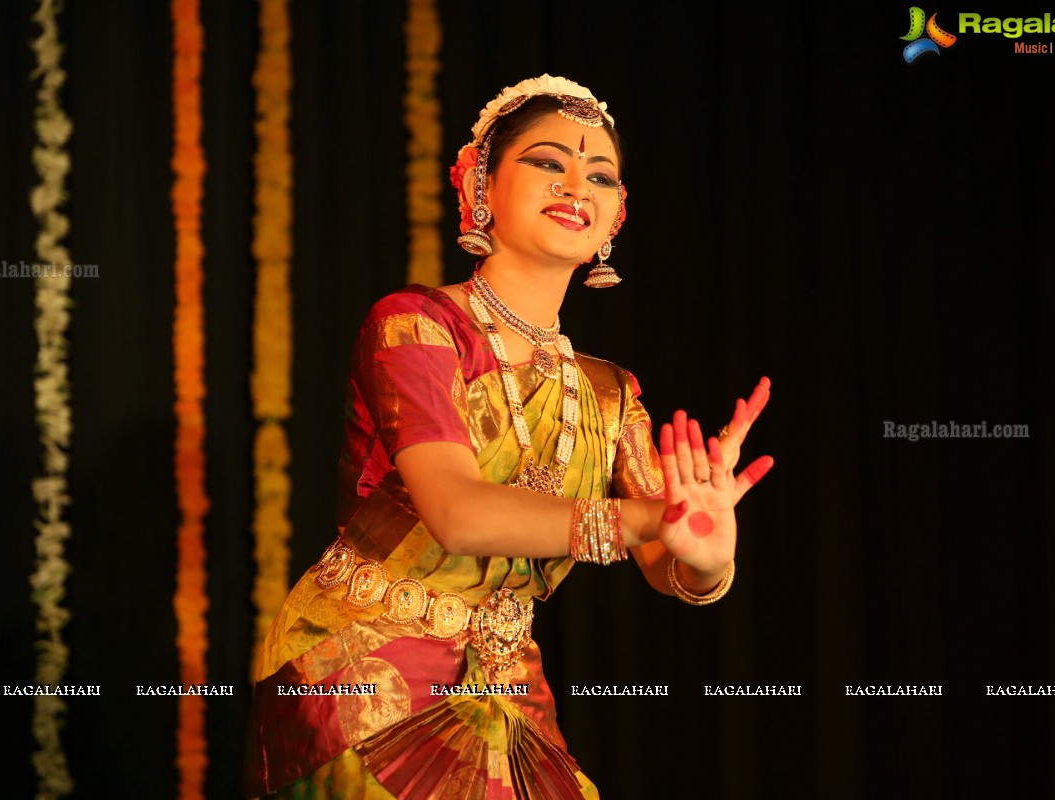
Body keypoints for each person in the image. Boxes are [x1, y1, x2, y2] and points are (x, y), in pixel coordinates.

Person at [242, 74, 774, 800]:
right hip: (363, 671)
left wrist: (708, 559)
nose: (576, 186)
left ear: (615, 219)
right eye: (548, 162)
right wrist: (645, 517)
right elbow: (458, 511)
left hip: (508, 683)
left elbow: (665, 557)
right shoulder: (415, 327)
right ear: (481, 187)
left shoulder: (609, 393)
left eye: (601, 175)